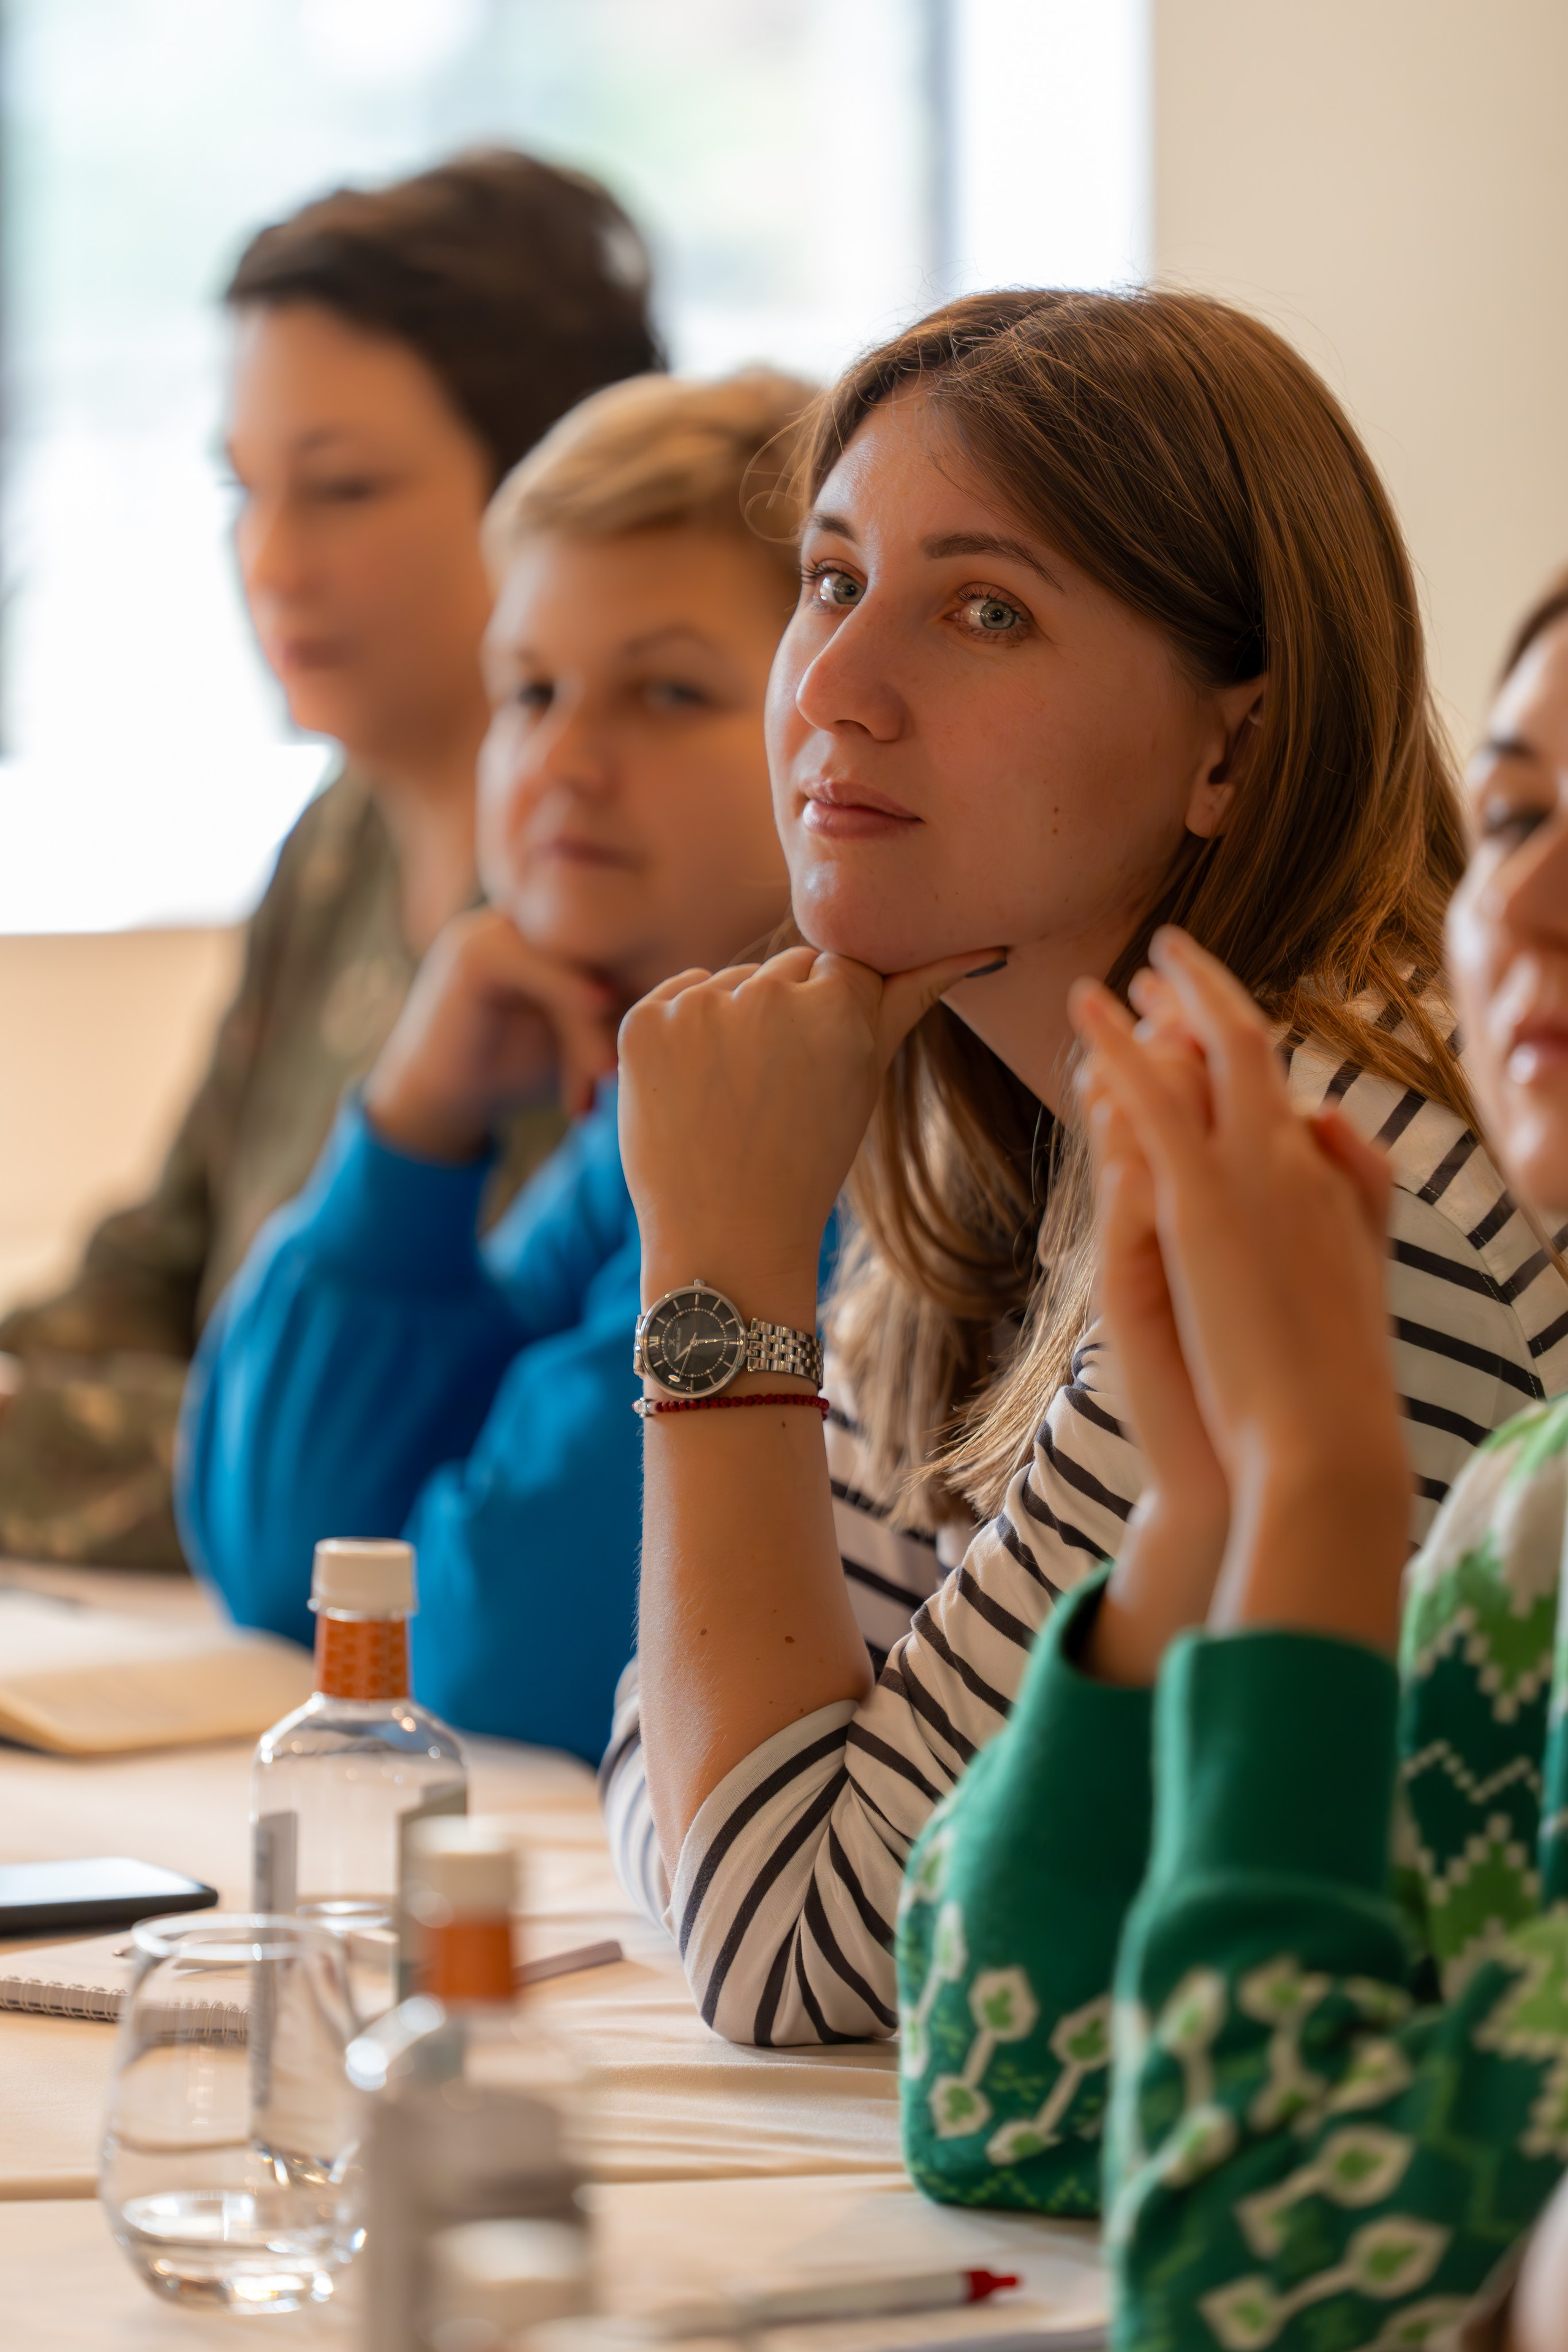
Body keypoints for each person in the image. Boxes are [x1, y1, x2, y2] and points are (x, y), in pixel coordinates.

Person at [606, 289, 1568, 2045]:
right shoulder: (1003, 1102)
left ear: (1230, 748)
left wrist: (721, 1281)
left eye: (986, 611)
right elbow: (690, 1775)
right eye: (831, 581)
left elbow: (800, 1954)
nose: (833, 685)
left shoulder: (1326, 1171)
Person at [894, 566, 1568, 2345]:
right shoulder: (1535, 1513)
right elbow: (1009, 2100)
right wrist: (1201, 1517)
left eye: (984, 612)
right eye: (1511, 815)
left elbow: (1250, 2291)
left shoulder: (1397, 1216)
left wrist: (1326, 1512)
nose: (1536, 900)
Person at [0, 148, 659, 1570]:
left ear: (557, 494)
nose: (270, 563)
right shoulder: (338, 843)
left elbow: (438, 1450)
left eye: (342, 489)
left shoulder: (640, 892)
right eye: (242, 491)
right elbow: (151, 1281)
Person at [179, 368, 817, 1766]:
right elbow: (293, 1561)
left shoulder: (842, 1135)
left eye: (664, 692)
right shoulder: (643, 1098)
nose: (564, 763)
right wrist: (413, 1133)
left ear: (831, 726)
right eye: (528, 690)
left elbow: (494, 1646)